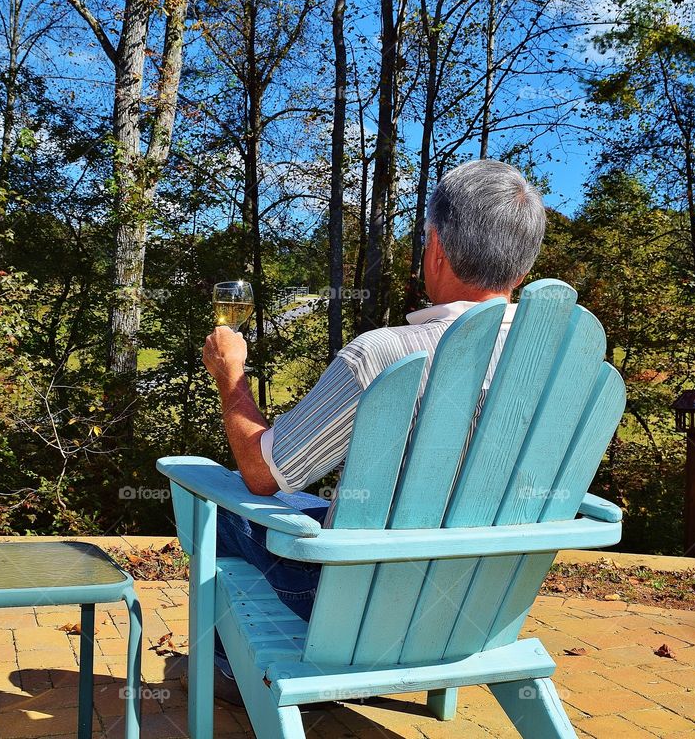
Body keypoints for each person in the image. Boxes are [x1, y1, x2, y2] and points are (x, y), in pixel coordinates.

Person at [197, 159, 546, 702]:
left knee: (217, 507)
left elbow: (266, 476)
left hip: (356, 607)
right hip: (485, 605)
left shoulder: (384, 356)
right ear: (521, 268)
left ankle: (226, 674)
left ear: (435, 248)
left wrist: (232, 378)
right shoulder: (551, 364)